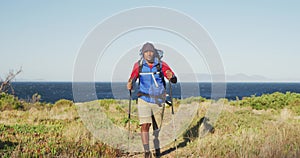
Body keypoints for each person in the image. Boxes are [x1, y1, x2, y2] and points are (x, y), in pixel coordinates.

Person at [127, 42, 177, 157]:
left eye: (151, 51)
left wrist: (171, 77)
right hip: (143, 98)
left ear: (154, 53)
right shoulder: (138, 65)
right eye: (146, 52)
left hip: (158, 100)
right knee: (145, 125)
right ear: (143, 54)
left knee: (156, 128)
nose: (149, 54)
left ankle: (156, 146)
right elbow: (133, 78)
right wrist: (130, 83)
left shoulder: (161, 65)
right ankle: (147, 152)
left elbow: (173, 79)